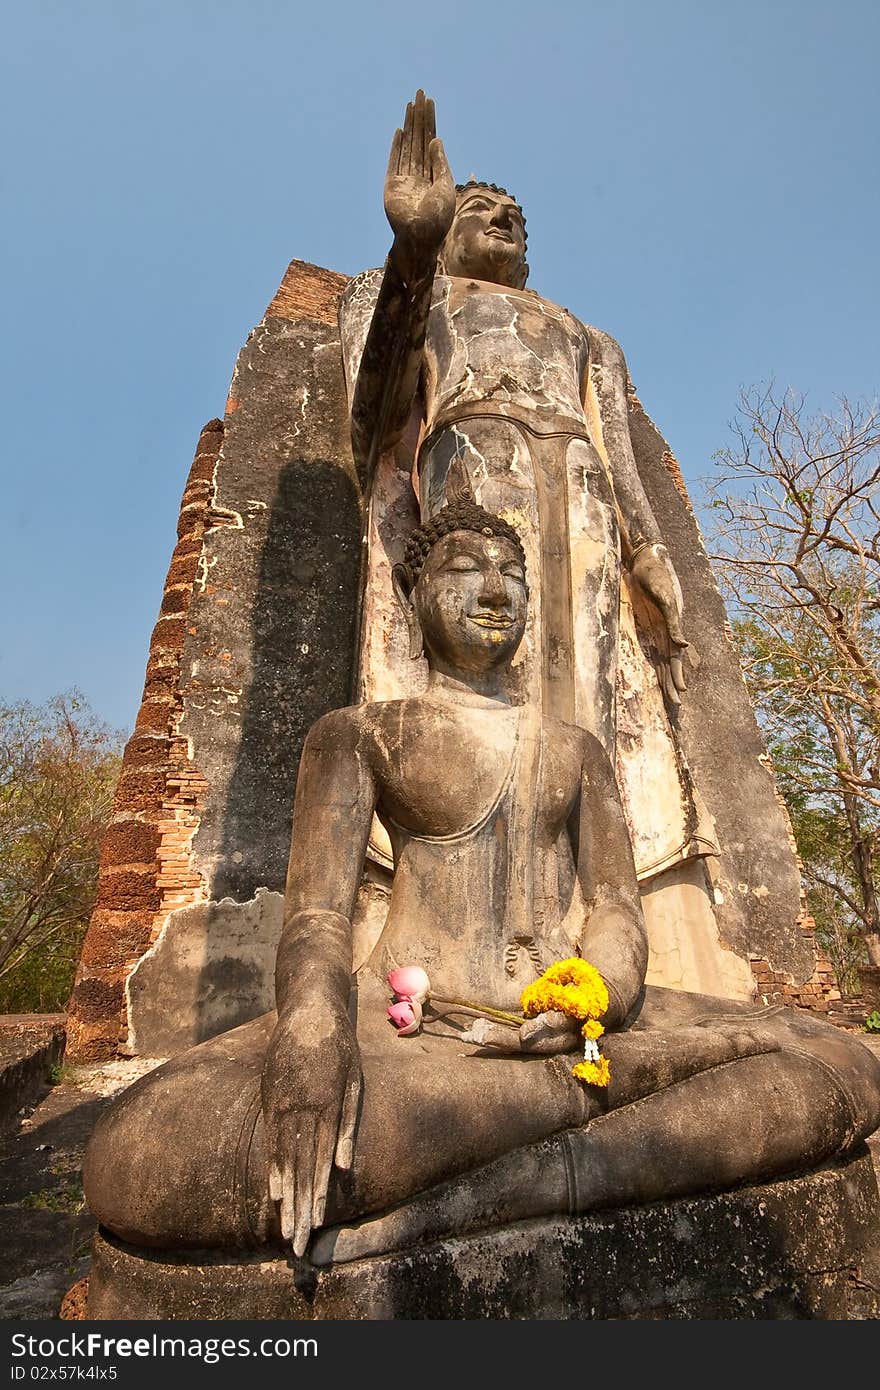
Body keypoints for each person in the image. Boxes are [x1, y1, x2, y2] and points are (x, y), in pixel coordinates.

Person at [83, 490, 880, 1265]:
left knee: (839, 1065)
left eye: (514, 572)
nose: (496, 590)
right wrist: (311, 1035)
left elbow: (614, 908)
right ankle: (593, 1133)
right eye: (466, 568)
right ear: (411, 588)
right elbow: (318, 917)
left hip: (568, 1021)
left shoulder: (577, 749)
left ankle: (470, 1194)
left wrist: (597, 993)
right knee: (141, 1158)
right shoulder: (360, 735)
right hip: (418, 1034)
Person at [339, 91, 717, 907]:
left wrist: (645, 550)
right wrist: (413, 248)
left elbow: (617, 449)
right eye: (479, 208)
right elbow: (373, 416)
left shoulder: (585, 333)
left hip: (577, 482)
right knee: (477, 638)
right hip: (477, 464)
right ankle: (463, 839)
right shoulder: (414, 294)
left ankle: (590, 861)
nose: (502, 218)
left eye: (514, 213)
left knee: (588, 655)